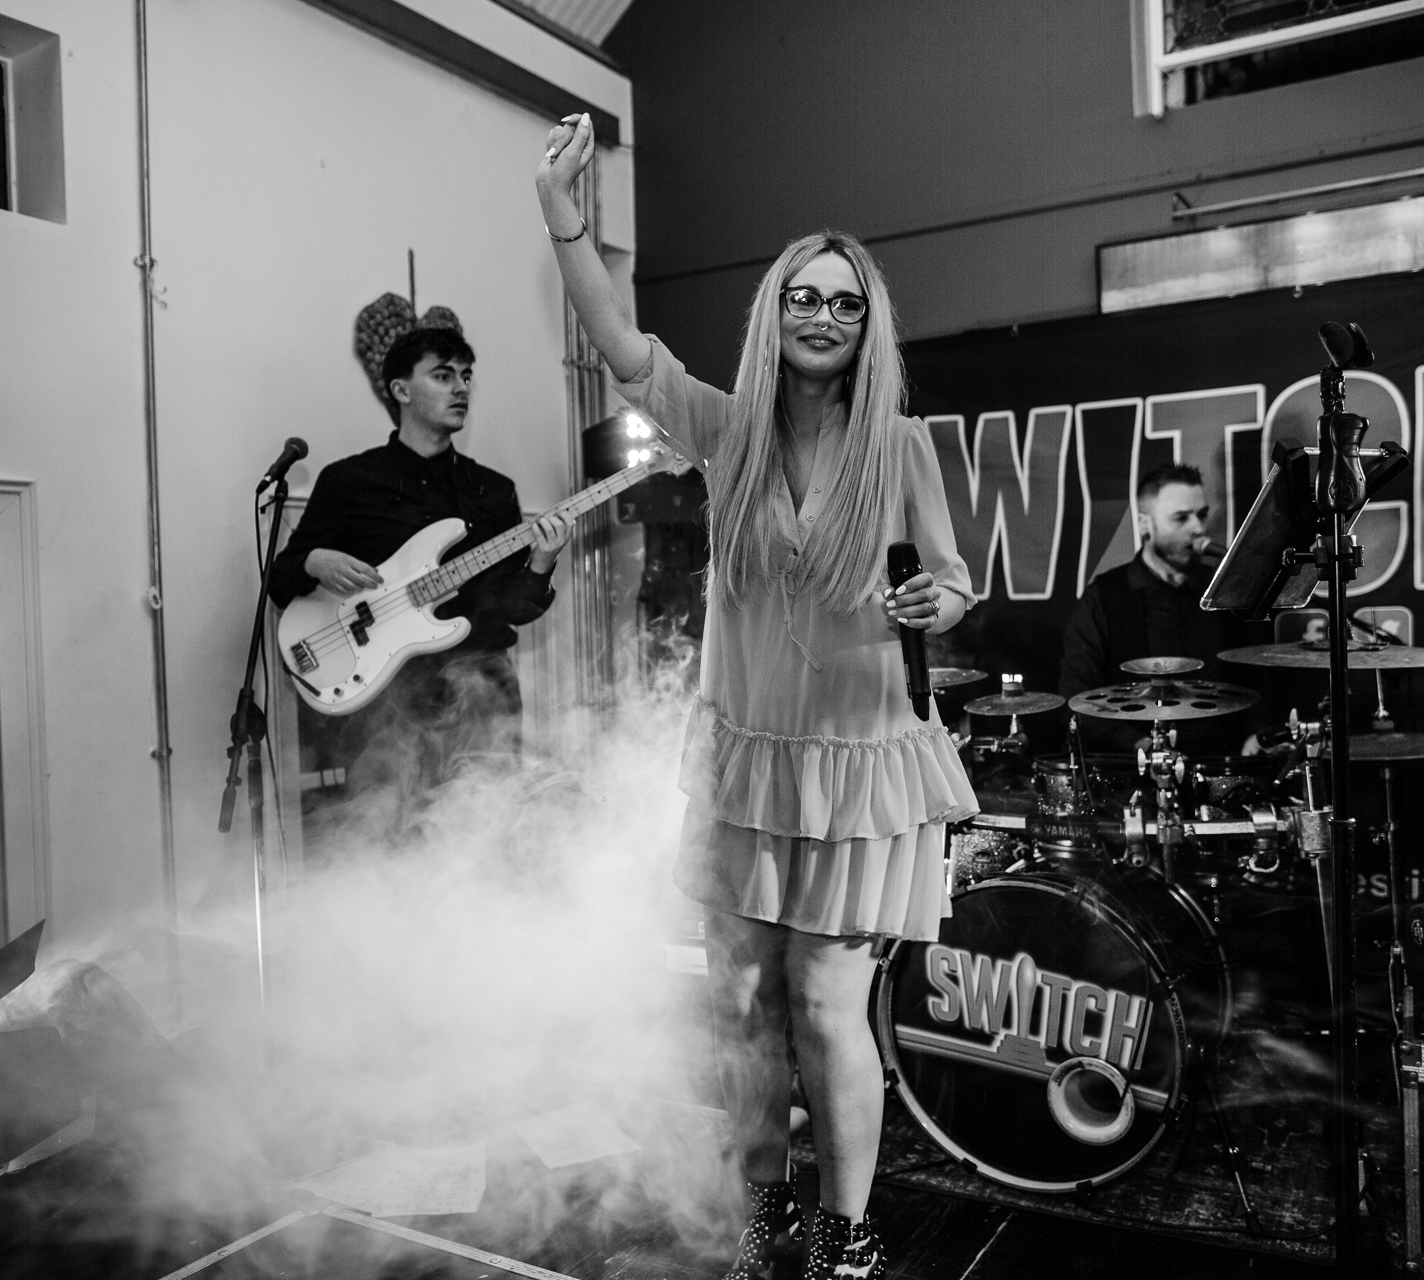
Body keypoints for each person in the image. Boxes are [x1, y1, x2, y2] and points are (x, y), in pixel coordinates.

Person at [538, 114, 977, 1280]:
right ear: (774, 314)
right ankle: (762, 1219)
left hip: (859, 759)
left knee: (827, 1004)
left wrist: (941, 602)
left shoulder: (903, 444)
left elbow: (953, 577)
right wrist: (565, 219)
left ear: (867, 320)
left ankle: (848, 1232)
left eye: (843, 300)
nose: (822, 314)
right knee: (738, 1000)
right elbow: (622, 346)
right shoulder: (724, 434)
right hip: (749, 757)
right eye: (803, 297)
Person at [269, 306, 573, 825]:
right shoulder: (350, 481)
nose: (461, 388)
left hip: (481, 693)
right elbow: (281, 578)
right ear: (401, 390)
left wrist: (541, 564)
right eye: (442, 375)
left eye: (466, 376)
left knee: (485, 833)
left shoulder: (493, 492)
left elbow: (509, 609)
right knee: (384, 837)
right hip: (385, 700)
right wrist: (316, 560)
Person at [1058, 462, 1259, 754]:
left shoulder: (1224, 591)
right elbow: (1077, 698)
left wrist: (1256, 733)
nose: (1198, 529)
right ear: (1145, 524)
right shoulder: (1104, 597)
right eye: (1181, 518)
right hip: (1136, 771)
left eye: (1200, 515)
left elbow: (1255, 677)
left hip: (1223, 762)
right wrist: (1140, 746)